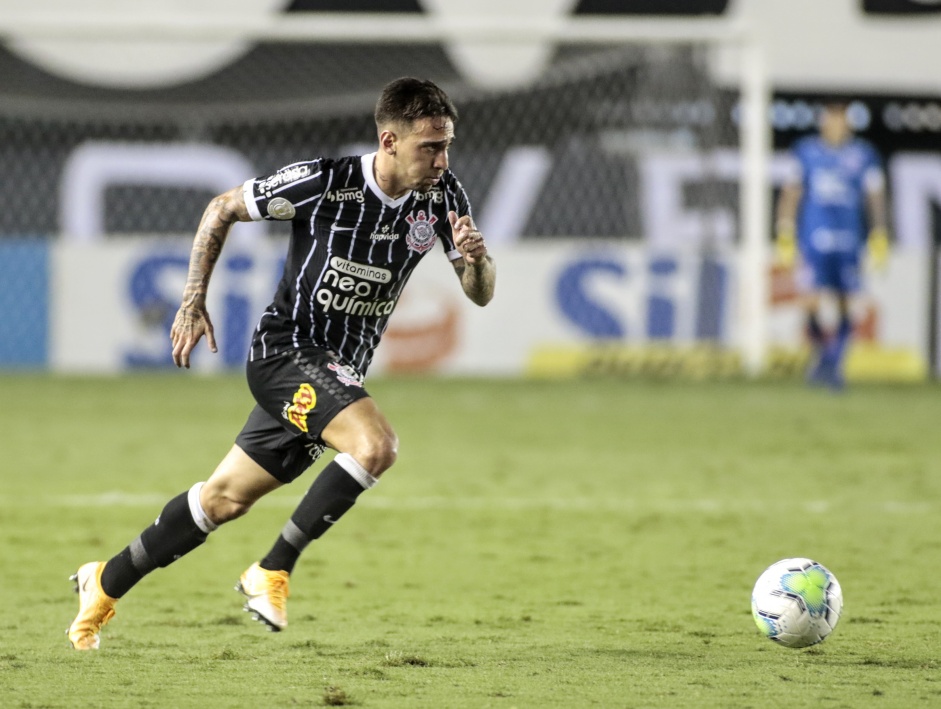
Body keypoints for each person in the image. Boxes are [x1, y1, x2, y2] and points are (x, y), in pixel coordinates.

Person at [67, 77, 496, 650]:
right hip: (287, 352)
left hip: (337, 376)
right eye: (430, 147)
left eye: (447, 146)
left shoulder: (443, 198)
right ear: (389, 141)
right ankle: (271, 569)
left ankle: (104, 581)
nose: (443, 160)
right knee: (376, 447)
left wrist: (476, 259)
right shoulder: (327, 181)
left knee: (224, 499)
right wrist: (192, 301)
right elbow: (222, 208)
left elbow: (480, 293)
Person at [774, 99, 890, 390]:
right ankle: (823, 355)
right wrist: (785, 230)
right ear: (823, 123)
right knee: (810, 300)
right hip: (814, 236)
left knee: (845, 301)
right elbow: (791, 192)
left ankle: (833, 365)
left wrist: (879, 233)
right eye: (830, 120)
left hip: (849, 237)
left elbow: (874, 196)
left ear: (847, 124)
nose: (835, 126)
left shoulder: (863, 155)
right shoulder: (806, 152)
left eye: (840, 121)